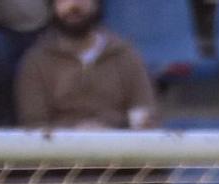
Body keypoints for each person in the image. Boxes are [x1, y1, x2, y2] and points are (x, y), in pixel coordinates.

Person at [13, 0, 158, 130]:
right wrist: (77, 132)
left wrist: (109, 128)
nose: (73, 5)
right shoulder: (36, 61)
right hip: (60, 155)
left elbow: (145, 113)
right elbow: (33, 126)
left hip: (119, 152)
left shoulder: (125, 55)